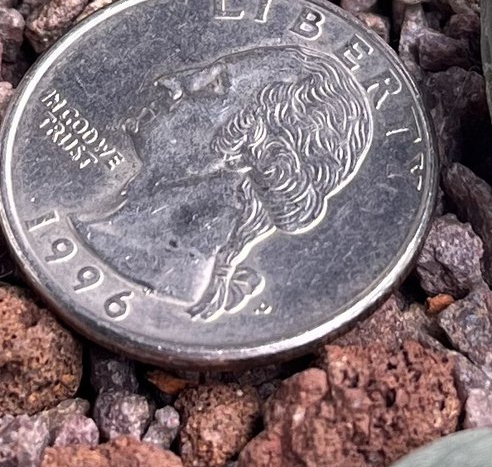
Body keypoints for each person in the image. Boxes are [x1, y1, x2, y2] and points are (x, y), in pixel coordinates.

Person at [74, 39, 375, 320]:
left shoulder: (156, 267)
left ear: (247, 150)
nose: (172, 81)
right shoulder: (107, 234)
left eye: (216, 85)